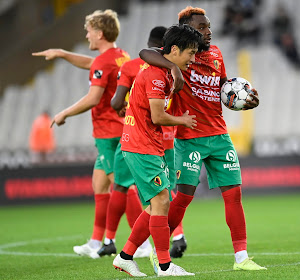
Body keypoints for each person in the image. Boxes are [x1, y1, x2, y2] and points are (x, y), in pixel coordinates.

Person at [139, 6, 266, 272]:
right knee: (183, 198)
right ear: (188, 31)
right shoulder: (180, 55)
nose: (208, 32)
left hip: (219, 135)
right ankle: (158, 250)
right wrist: (173, 70)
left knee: (234, 195)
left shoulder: (217, 53)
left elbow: (221, 87)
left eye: (208, 26)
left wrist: (241, 99)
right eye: (202, 28)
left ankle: (241, 258)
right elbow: (146, 53)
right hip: (189, 137)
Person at [32, 9, 141, 258]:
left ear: (100, 33)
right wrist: (61, 53)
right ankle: (95, 241)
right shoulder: (120, 55)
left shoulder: (104, 61)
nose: (87, 35)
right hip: (120, 127)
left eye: (89, 31)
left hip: (108, 132)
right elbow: (91, 63)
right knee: (100, 184)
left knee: (121, 186)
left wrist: (64, 113)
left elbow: (93, 98)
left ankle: (142, 241)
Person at [112, 24, 201, 277]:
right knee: (162, 200)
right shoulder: (155, 75)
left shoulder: (163, 71)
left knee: (155, 205)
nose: (192, 60)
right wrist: (182, 120)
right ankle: (164, 265)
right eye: (190, 54)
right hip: (141, 146)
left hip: (146, 144)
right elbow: (158, 115)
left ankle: (125, 256)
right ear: (174, 50)